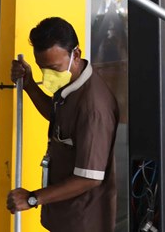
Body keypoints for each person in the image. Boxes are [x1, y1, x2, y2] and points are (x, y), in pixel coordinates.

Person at [7, 18, 119, 232]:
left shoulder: (93, 107)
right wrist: (29, 84)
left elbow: (89, 178)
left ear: (75, 55)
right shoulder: (71, 83)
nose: (48, 75)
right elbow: (58, 116)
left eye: (54, 68)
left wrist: (32, 198)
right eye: (42, 68)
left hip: (83, 220)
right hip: (63, 213)